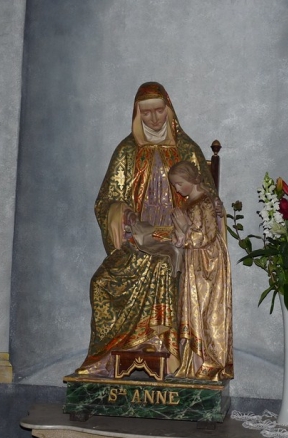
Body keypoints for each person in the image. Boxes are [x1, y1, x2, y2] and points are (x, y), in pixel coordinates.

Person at [77, 83, 217, 377]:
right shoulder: (128, 150)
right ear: (137, 114)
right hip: (137, 239)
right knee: (101, 283)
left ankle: (163, 350)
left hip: (178, 241)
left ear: (169, 110)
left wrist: (188, 226)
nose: (153, 119)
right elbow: (107, 199)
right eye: (146, 112)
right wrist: (121, 212)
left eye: (158, 111)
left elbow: (208, 200)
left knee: (163, 266)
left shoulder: (187, 149)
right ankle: (108, 359)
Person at [168, 161, 233, 381]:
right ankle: (191, 363)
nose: (177, 189)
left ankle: (208, 363)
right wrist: (178, 237)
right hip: (193, 262)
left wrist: (185, 230)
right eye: (175, 185)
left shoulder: (205, 202)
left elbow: (208, 235)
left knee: (205, 309)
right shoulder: (188, 204)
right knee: (191, 309)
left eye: (179, 184)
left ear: (191, 179)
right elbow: (185, 236)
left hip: (208, 263)